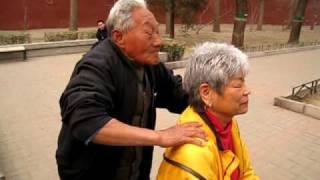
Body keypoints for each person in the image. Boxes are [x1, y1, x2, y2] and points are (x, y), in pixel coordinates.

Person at [55, 0, 206, 179]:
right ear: (119, 37)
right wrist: (160, 137)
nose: (158, 42)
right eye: (149, 33)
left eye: (157, 32)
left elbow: (177, 93)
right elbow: (86, 120)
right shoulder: (97, 65)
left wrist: (214, 98)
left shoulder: (149, 63)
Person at [157, 42, 259, 180]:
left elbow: (246, 172)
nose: (247, 91)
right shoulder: (192, 154)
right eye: (238, 85)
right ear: (206, 93)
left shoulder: (228, 123)